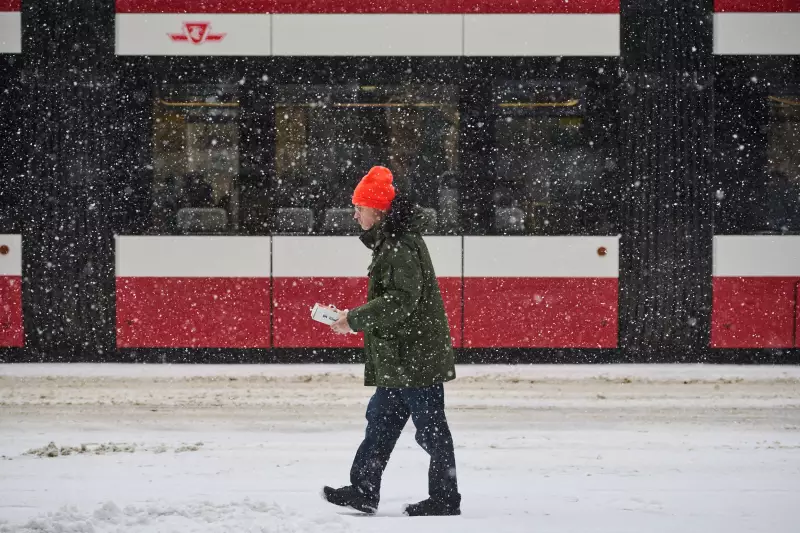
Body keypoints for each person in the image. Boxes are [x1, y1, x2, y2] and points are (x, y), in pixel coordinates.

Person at [321, 166, 461, 517]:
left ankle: (445, 498)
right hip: (400, 356)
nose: (354, 215)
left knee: (431, 430)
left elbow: (401, 299)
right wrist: (353, 317)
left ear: (378, 210)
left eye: (359, 208)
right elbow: (397, 300)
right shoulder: (392, 240)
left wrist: (354, 319)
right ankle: (363, 490)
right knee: (380, 422)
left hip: (414, 356)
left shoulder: (398, 245)